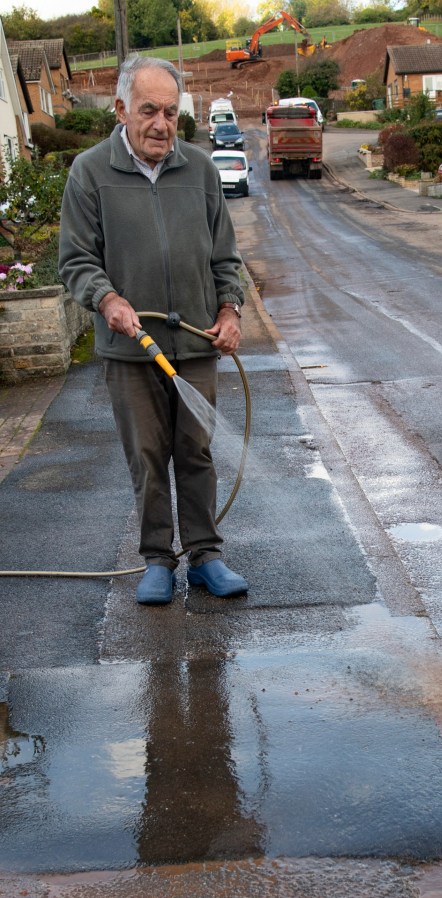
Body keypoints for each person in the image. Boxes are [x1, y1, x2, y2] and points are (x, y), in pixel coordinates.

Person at [59, 55, 249, 605]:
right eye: (148, 111)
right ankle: (158, 561)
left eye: (170, 112)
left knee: (197, 452)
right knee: (146, 457)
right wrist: (107, 297)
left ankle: (206, 556)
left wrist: (230, 311)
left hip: (194, 343)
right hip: (130, 349)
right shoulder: (90, 172)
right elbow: (75, 259)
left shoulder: (201, 170)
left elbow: (225, 257)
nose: (162, 124)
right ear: (121, 110)